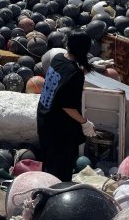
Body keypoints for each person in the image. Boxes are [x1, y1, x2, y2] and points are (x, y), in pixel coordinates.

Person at [37, 32, 98, 182]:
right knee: (60, 174)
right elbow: (67, 106)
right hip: (60, 130)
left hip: (45, 119)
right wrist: (85, 123)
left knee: (48, 165)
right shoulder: (75, 74)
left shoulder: (57, 59)